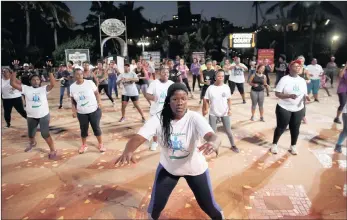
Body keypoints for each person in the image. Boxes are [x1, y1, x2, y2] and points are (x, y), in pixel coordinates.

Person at [115, 83, 224, 220]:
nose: (180, 103)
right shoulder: (159, 118)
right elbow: (139, 137)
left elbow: (213, 136)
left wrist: (213, 143)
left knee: (209, 206)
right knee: (155, 206)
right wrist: (128, 150)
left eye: (183, 98)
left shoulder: (194, 118)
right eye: (175, 99)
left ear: (187, 100)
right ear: (168, 100)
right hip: (169, 169)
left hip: (195, 169)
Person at [10, 61, 57, 159]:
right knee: (31, 134)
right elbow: (13, 83)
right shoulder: (26, 88)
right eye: (33, 80)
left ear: (40, 81)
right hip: (31, 116)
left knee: (45, 134)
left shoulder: (43, 89)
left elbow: (52, 84)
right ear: (30, 81)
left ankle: (53, 150)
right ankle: (33, 143)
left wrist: (50, 71)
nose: (36, 81)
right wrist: (14, 70)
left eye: (37, 80)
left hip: (43, 115)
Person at [270, 60, 307, 155]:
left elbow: (303, 96)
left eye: (299, 66)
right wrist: (289, 96)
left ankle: (293, 146)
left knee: (295, 128)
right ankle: (274, 144)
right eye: (295, 66)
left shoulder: (302, 80)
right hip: (284, 107)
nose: (298, 68)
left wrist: (304, 112)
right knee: (281, 127)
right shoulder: (284, 79)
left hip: (298, 109)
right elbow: (277, 93)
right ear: (290, 68)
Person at [70, 66, 105, 154]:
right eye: (77, 74)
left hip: (94, 110)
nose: (80, 76)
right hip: (81, 112)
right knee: (83, 129)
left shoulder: (89, 83)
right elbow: (73, 100)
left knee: (96, 127)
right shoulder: (72, 87)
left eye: (81, 74)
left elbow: (97, 93)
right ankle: (84, 145)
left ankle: (101, 144)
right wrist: (73, 110)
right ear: (74, 76)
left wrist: (99, 102)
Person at [203, 69, 239, 153]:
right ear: (215, 77)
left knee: (228, 130)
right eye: (219, 76)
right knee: (213, 133)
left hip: (224, 112)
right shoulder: (210, 88)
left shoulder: (226, 87)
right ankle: (213, 147)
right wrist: (206, 109)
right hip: (213, 113)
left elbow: (229, 100)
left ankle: (233, 145)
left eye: (222, 76)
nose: (221, 78)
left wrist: (230, 109)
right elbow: (206, 100)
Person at [145, 68, 174, 151]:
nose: (165, 74)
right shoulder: (154, 83)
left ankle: (168, 141)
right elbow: (147, 95)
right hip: (155, 110)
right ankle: (155, 142)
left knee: (169, 126)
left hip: (168, 110)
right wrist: (153, 97)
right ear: (159, 74)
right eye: (163, 72)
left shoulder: (171, 84)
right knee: (155, 127)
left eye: (167, 72)